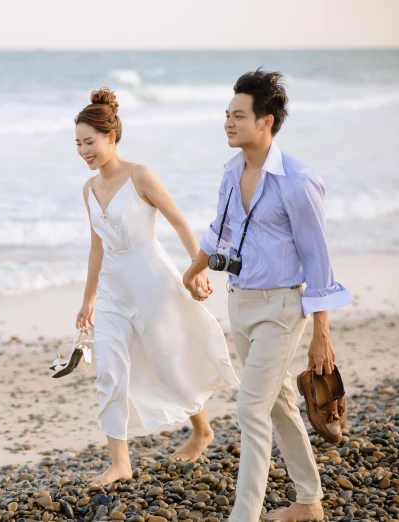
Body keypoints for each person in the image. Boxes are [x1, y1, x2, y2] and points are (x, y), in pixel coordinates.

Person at [183, 69, 353, 522]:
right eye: (226, 114)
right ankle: (309, 501)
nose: (228, 123)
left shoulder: (297, 181)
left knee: (249, 407)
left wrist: (322, 334)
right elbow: (219, 230)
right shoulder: (231, 170)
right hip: (239, 301)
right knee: (275, 401)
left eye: (238, 115)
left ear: (267, 121)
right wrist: (193, 269)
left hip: (282, 308)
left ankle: (245, 514)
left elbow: (319, 260)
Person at [74, 87, 239, 487]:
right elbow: (96, 247)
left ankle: (202, 429)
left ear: (111, 137)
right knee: (109, 372)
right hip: (113, 290)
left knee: (167, 361)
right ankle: (119, 463)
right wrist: (88, 300)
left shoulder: (140, 175)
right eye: (78, 144)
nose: (84, 151)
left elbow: (180, 222)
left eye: (90, 142)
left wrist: (197, 268)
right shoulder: (88, 189)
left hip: (151, 280)